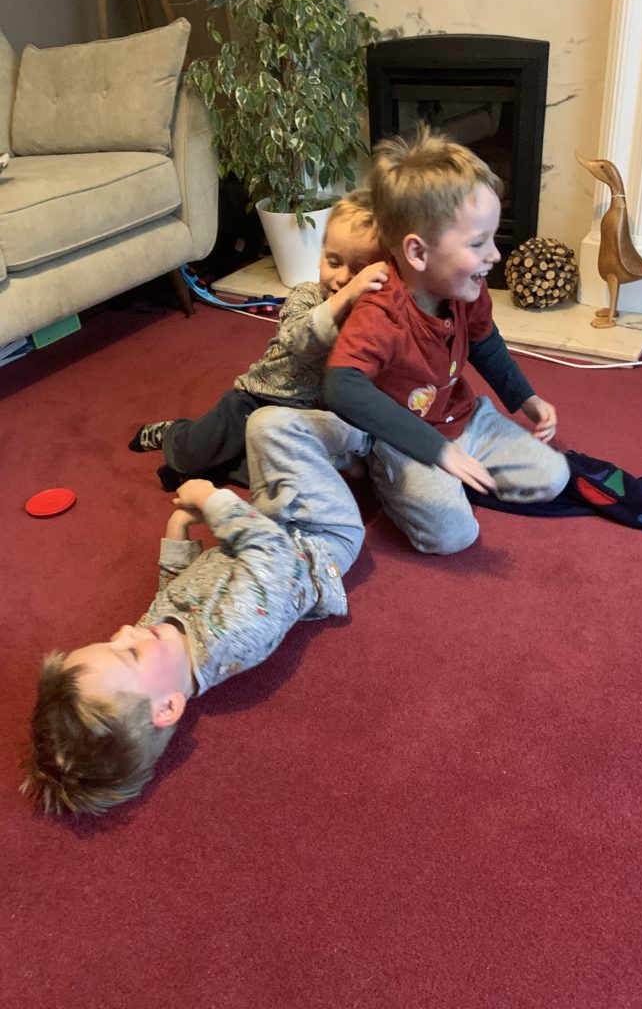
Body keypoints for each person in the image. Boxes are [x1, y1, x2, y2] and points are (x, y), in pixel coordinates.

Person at [22, 406, 370, 815]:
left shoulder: (157, 648)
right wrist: (211, 500)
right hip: (317, 537)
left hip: (261, 531)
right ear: (168, 706)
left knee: (264, 449)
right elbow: (275, 552)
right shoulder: (236, 634)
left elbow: (169, 597)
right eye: (128, 653)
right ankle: (372, 439)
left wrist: (177, 532)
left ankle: (336, 459)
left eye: (109, 641)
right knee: (267, 425)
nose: (124, 631)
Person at [322, 125, 570, 555]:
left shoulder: (466, 289)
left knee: (554, 477)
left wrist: (525, 398)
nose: (495, 254)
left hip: (463, 417)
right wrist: (436, 451)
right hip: (405, 440)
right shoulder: (381, 312)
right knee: (454, 536)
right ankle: (380, 471)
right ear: (418, 253)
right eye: (478, 243)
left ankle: (457, 468)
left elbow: (486, 343)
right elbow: (342, 384)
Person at [129, 189, 388, 490]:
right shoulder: (305, 295)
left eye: (358, 271)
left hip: (304, 419)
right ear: (320, 258)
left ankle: (213, 469)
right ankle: (175, 434)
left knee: (275, 478)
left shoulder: (372, 318)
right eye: (333, 261)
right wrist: (346, 296)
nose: (343, 278)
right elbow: (300, 339)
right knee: (193, 451)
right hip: (256, 399)